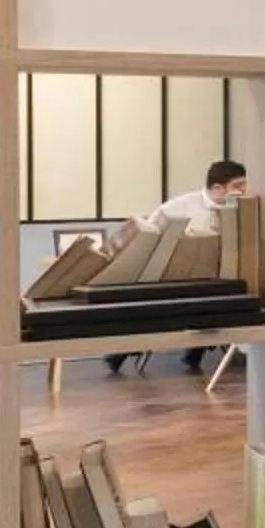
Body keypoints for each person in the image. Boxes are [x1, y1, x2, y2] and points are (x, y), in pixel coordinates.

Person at [107, 161, 247, 375]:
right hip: (176, 274)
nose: (243, 191)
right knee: (170, 302)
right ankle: (120, 353)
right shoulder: (179, 207)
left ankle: (195, 353)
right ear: (218, 188)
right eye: (238, 186)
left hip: (215, 275)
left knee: (225, 293)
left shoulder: (240, 207)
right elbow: (149, 234)